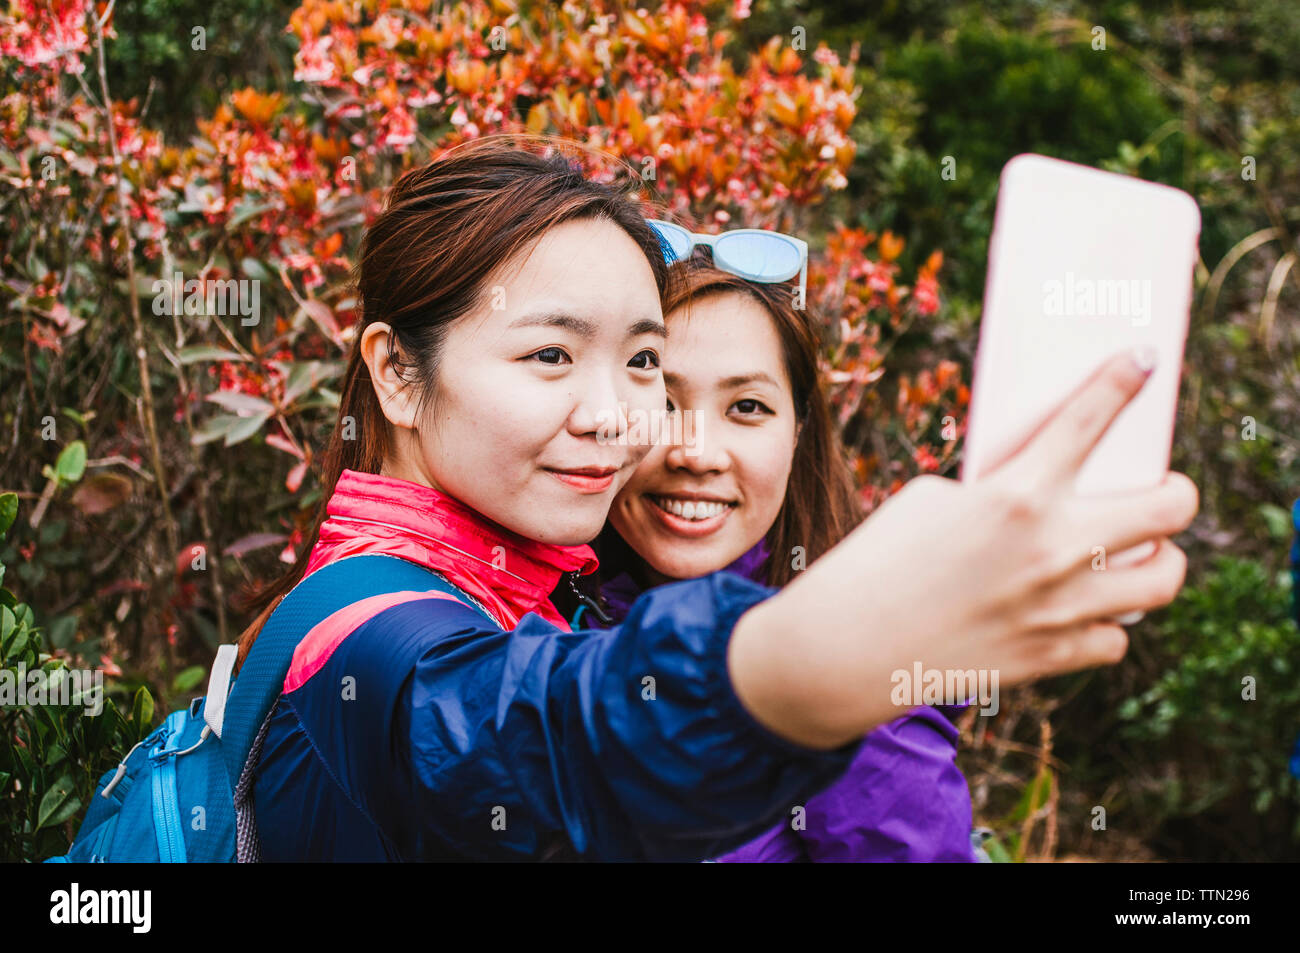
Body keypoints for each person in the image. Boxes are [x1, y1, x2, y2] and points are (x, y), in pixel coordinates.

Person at [238, 135, 1199, 861]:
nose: (621, 417)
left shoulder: (527, 593)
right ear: (399, 375)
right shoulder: (370, 639)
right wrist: (836, 648)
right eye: (550, 355)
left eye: (641, 360)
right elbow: (552, 741)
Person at [563, 260, 977, 861]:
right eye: (665, 402)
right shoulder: (534, 609)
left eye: (747, 407)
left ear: (798, 432)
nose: (695, 454)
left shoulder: (852, 675)